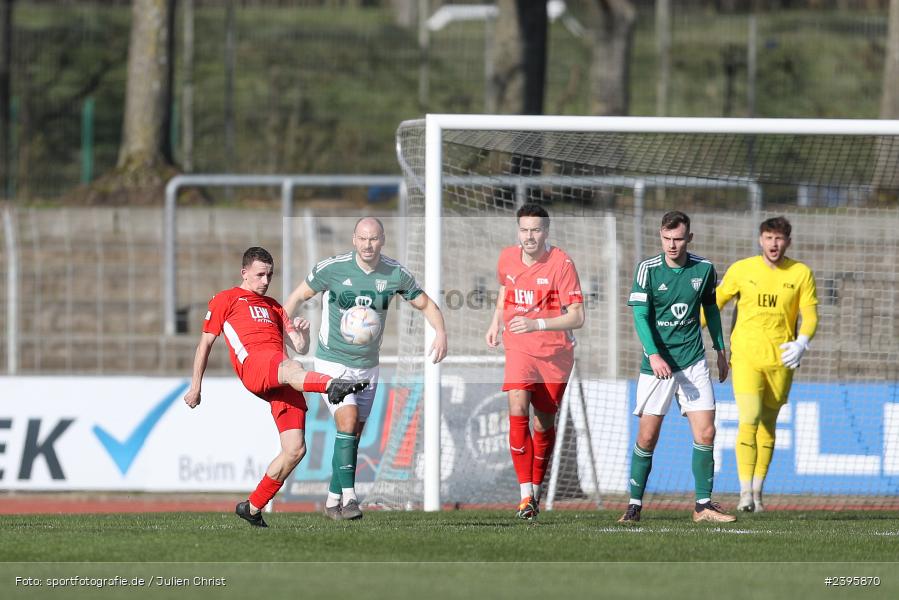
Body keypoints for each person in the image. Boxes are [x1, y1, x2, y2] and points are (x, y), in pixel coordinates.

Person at [184, 247, 368, 528]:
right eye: (260, 275)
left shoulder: (274, 306)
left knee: (295, 449)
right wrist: (196, 386)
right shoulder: (226, 299)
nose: (266, 280)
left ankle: (253, 507)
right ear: (244, 273)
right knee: (292, 366)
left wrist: (303, 335)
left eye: (270, 275)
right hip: (256, 365)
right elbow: (205, 344)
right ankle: (332, 385)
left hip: (282, 373)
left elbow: (300, 346)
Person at [284, 217, 448, 520]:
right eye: (362, 238)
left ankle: (332, 500)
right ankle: (350, 499)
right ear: (353, 239)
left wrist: (440, 333)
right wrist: (287, 332)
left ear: (382, 240)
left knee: (353, 435)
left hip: (367, 367)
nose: (367, 244)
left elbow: (425, 304)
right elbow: (295, 297)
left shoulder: (395, 273)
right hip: (332, 362)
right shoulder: (332, 269)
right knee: (347, 421)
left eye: (373, 238)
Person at [622, 210, 735, 524]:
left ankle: (703, 506)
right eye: (667, 238)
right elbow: (640, 316)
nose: (672, 245)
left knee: (707, 431)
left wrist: (720, 349)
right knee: (647, 436)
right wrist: (653, 354)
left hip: (693, 361)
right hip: (657, 365)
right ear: (661, 236)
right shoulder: (647, 270)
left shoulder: (704, 269)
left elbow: (711, 309)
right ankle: (633, 506)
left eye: (678, 239)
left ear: (689, 238)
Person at [485, 203, 584, 521]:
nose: (529, 236)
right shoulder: (506, 257)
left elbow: (577, 317)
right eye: (524, 230)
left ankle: (535, 493)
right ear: (518, 231)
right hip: (519, 348)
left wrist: (537, 324)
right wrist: (495, 322)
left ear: (546, 232)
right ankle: (524, 494)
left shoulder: (562, 263)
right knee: (517, 408)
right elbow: (505, 288)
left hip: (555, 354)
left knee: (543, 424)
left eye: (536, 230)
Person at [714, 216, 818, 513]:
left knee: (768, 425)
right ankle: (744, 493)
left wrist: (802, 342)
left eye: (779, 238)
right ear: (761, 239)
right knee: (749, 417)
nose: (774, 244)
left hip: (781, 360)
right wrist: (691, 331)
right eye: (769, 238)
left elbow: (810, 315)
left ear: (788, 242)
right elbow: (714, 304)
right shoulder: (741, 269)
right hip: (746, 357)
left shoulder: (800, 273)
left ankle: (758, 493)